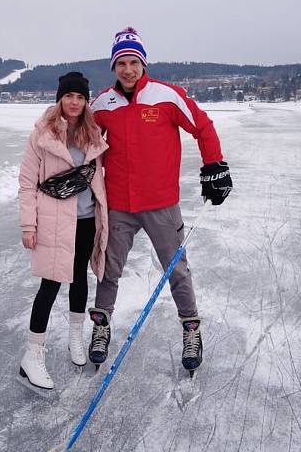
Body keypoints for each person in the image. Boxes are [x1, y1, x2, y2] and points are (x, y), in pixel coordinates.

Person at [88, 27, 233, 375]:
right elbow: (83, 141)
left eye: (133, 62)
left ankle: (191, 330)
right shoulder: (102, 103)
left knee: (177, 271)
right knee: (108, 270)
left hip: (161, 204)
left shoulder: (166, 96)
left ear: (143, 63)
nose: (127, 69)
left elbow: (202, 125)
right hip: (119, 205)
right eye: (121, 63)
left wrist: (214, 165)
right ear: (113, 66)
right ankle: (101, 326)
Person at [17, 72, 109, 389]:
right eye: (69, 96)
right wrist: (28, 224)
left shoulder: (93, 134)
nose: (74, 102)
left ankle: (75, 338)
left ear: (86, 102)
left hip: (86, 220)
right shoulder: (43, 135)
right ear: (60, 99)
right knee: (51, 284)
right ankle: (33, 355)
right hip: (55, 222)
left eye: (80, 97)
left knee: (80, 278)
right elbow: (27, 184)